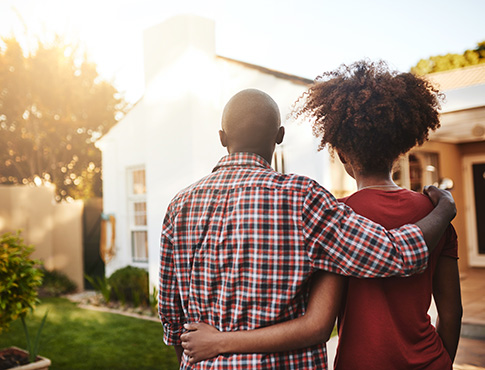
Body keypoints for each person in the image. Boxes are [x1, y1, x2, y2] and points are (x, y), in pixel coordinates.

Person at [180, 63, 463, 369]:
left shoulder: (337, 214)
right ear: (400, 150)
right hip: (431, 360)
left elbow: (318, 321)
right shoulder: (433, 216)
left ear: (341, 154)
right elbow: (452, 312)